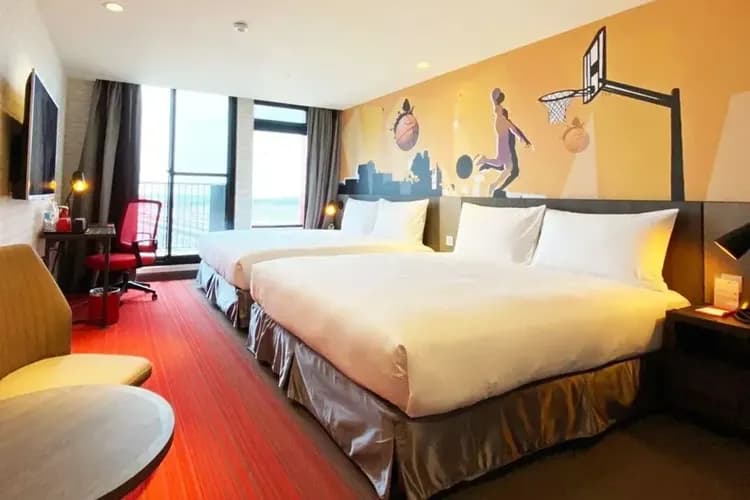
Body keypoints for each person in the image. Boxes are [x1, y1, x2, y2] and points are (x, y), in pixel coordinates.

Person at [474, 88, 532, 196]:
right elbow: (514, 129)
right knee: (500, 163)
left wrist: (495, 96)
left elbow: (495, 105)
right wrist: (522, 139)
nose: (498, 109)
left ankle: (493, 185)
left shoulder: (499, 120)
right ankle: (485, 160)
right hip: (504, 145)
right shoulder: (503, 120)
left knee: (508, 168)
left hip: (502, 143)